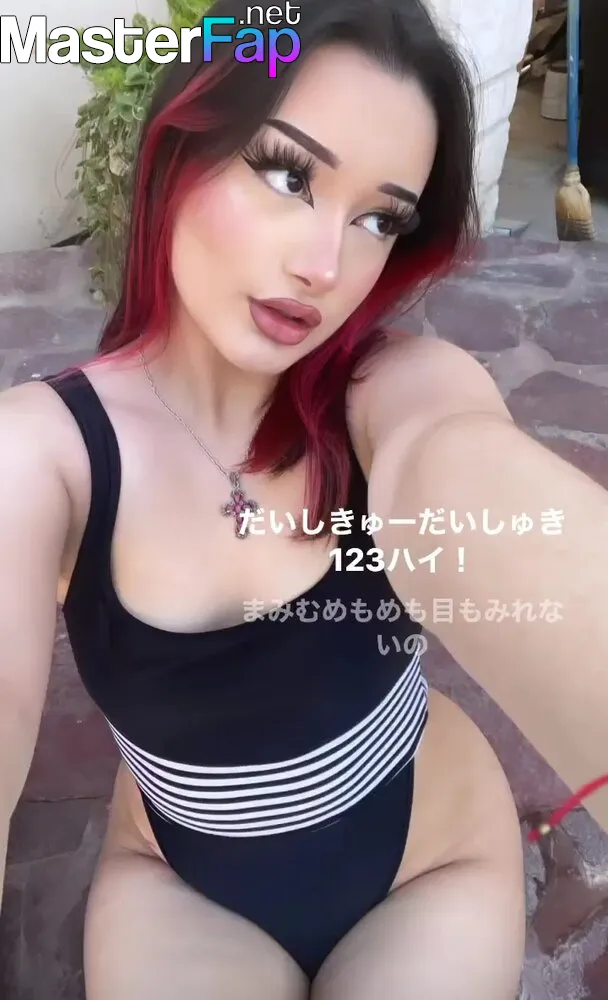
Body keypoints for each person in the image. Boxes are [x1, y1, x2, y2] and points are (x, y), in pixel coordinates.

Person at [1, 0, 607, 996]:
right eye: (288, 174)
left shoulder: (396, 389)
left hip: (430, 857)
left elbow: (459, 472)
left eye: (378, 219)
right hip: (182, 888)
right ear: (180, 143)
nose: (324, 266)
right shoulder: (42, 454)